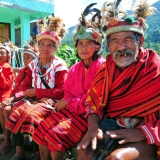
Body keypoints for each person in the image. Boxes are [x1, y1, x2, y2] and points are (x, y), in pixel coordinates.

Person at [77, 1, 160, 160]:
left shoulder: (155, 68)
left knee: (116, 158)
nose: (121, 47)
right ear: (108, 45)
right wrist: (93, 127)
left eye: (128, 39)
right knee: (84, 152)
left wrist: (144, 131)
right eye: (114, 41)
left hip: (146, 129)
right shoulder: (106, 70)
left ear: (140, 42)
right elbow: (93, 104)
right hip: (112, 125)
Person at [32, 4, 105, 160]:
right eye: (80, 44)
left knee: (54, 135)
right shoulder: (75, 68)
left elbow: (96, 97)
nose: (83, 48)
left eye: (88, 43)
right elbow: (67, 91)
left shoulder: (102, 67)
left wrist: (69, 102)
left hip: (90, 115)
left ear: (97, 46)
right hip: (71, 110)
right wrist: (68, 102)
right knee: (42, 129)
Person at [5, 31, 68, 160]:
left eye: (50, 45)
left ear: (55, 48)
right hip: (34, 99)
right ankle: (19, 152)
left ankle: (38, 153)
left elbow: (61, 91)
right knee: (15, 111)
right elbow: (26, 87)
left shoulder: (59, 66)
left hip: (52, 102)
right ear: (38, 47)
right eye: (42, 44)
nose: (45, 48)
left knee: (32, 116)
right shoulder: (34, 65)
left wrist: (39, 93)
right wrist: (36, 95)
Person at [0, 44, 38, 156]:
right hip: (16, 97)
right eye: (24, 57)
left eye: (28, 57)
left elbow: (7, 86)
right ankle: (9, 140)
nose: (25, 60)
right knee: (5, 107)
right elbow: (16, 89)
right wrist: (11, 98)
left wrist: (11, 99)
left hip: (29, 98)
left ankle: (10, 142)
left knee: (7, 109)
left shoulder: (35, 71)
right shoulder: (22, 71)